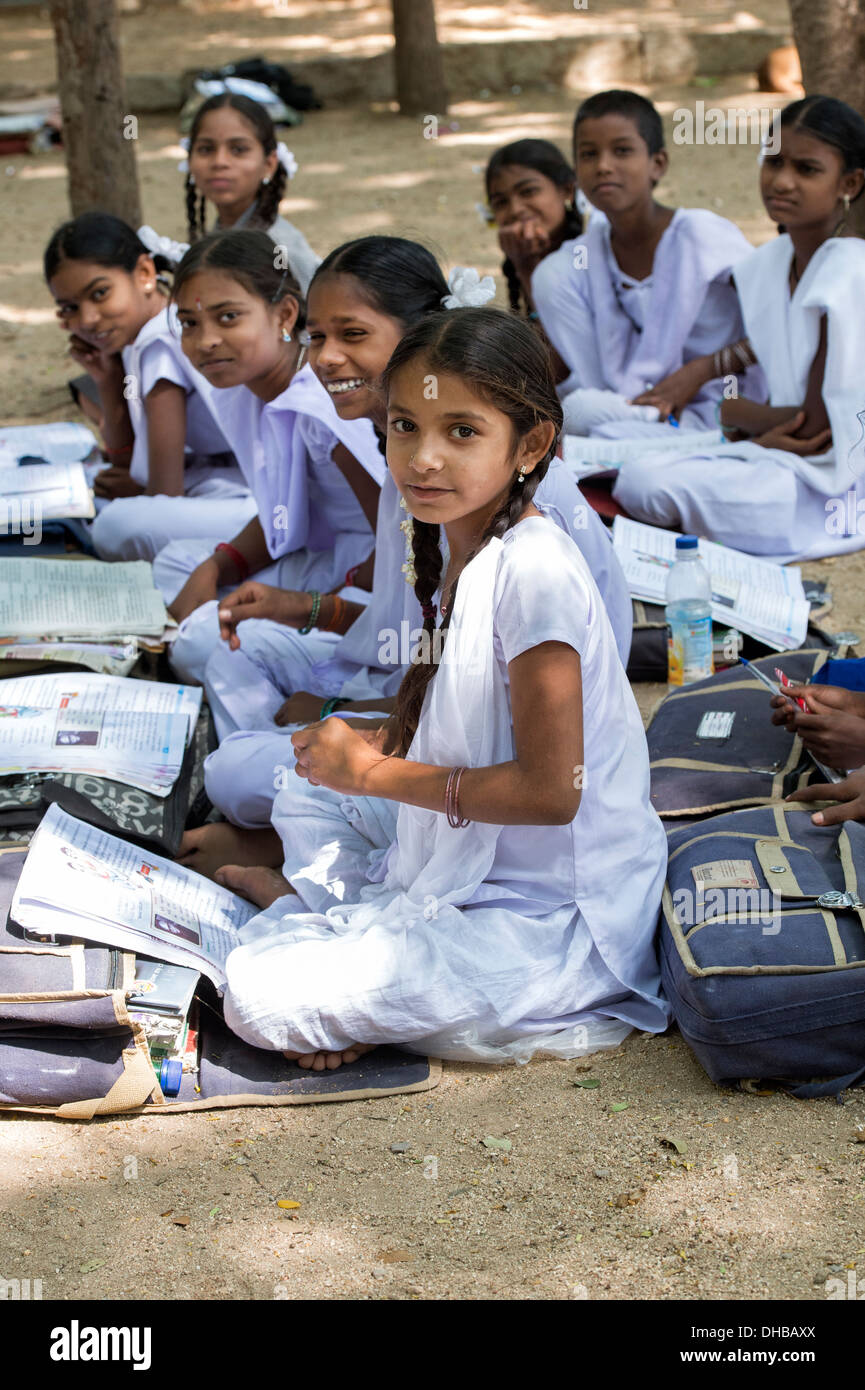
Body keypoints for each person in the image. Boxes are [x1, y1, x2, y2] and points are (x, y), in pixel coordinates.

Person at [214, 306, 670, 1071]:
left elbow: (552, 794)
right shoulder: (460, 541)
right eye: (404, 427)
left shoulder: (534, 569)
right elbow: (462, 718)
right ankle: (347, 941)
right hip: (461, 857)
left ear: (530, 446)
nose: (424, 458)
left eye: (461, 432)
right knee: (303, 789)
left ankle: (327, 936)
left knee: (261, 996)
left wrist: (374, 772)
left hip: (544, 916)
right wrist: (370, 751)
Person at [176, 237, 633, 871]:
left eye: (353, 334)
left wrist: (358, 743)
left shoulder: (521, 535)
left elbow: (535, 766)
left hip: (504, 777)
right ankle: (299, 812)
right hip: (423, 708)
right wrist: (307, 611)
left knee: (236, 771)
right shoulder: (417, 468)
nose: (327, 359)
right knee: (218, 652)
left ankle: (290, 834)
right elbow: (414, 631)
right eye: (316, 337)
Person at [613, 96, 865, 562]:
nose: (782, 181)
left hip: (831, 485)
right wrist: (732, 406)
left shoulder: (849, 271)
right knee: (621, 452)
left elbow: (817, 429)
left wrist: (734, 412)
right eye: (773, 162)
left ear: (848, 183)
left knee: (644, 482)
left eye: (807, 170)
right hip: (778, 453)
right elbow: (783, 343)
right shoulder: (772, 262)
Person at [152, 229, 384, 690]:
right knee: (177, 564)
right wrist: (219, 566)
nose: (206, 341)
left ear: (284, 313)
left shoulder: (324, 406)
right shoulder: (245, 388)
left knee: (200, 643)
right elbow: (283, 506)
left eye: (228, 317)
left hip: (373, 572)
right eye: (190, 324)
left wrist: (312, 605)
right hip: (325, 555)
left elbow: (402, 536)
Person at [530, 89, 761, 432]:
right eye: (588, 155)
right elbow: (591, 384)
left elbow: (780, 321)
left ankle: (671, 435)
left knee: (583, 421)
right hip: (625, 409)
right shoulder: (575, 263)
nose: (604, 166)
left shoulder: (702, 235)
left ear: (658, 164)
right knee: (581, 410)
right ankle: (651, 426)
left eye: (622, 151)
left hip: (724, 403)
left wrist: (699, 372)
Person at [44, 212, 255, 563]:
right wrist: (106, 378)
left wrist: (139, 491)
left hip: (259, 503)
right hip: (229, 481)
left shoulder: (160, 339)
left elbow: (164, 493)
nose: (87, 320)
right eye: (70, 308)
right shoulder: (144, 335)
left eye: (99, 293)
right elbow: (123, 460)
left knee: (115, 526)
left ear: (144, 273)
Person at [183, 92, 319, 294]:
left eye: (238, 149)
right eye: (206, 149)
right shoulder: (221, 232)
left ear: (269, 164)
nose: (220, 161)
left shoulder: (281, 249)